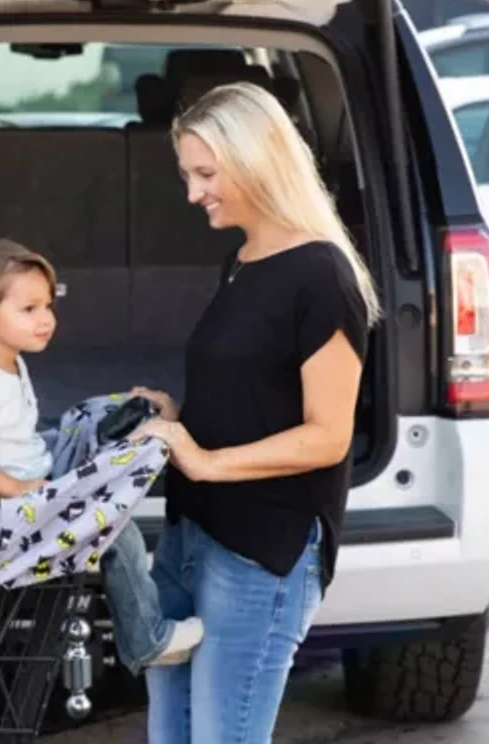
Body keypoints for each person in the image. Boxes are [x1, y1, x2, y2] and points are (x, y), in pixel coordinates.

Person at [125, 82, 380, 744]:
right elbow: (253, 395)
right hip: (193, 536)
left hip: (261, 553)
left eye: (206, 173)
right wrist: (175, 416)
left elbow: (329, 436)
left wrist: (204, 461)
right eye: (187, 174)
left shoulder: (322, 274)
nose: (192, 193)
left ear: (259, 158)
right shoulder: (240, 261)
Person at [0, 238, 204, 671]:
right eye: (29, 309)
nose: (46, 320)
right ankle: (145, 640)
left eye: (48, 306)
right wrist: (19, 489)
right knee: (118, 532)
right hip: (14, 507)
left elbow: (11, 440)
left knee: (95, 419)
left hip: (40, 476)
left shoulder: (7, 361)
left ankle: (138, 421)